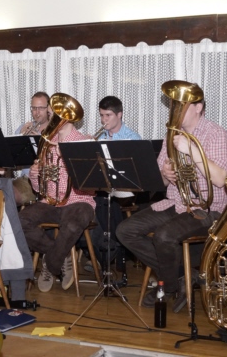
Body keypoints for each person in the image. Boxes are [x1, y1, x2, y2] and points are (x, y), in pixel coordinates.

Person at [116, 90, 227, 314]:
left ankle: (168, 285)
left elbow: (220, 179)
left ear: (198, 107)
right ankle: (180, 277)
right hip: (176, 203)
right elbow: (159, 181)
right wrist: (165, 174)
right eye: (173, 106)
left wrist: (192, 150)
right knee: (125, 230)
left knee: (164, 236)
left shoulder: (216, 133)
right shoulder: (172, 134)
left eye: (182, 105)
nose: (174, 111)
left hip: (207, 208)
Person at [19, 95, 96, 292]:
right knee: (20, 221)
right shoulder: (47, 143)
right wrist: (35, 174)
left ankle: (50, 263)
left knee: (73, 223)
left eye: (54, 112)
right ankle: (61, 254)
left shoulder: (84, 142)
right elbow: (39, 189)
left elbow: (91, 186)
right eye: (52, 111)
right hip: (50, 202)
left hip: (78, 200)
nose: (51, 114)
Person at [87, 96, 142, 275]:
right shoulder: (100, 137)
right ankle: (107, 251)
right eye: (101, 115)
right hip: (104, 189)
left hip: (126, 190)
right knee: (91, 201)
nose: (104, 120)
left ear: (119, 115)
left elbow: (137, 174)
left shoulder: (132, 138)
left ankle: (106, 254)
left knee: (103, 201)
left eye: (108, 115)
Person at [12, 92, 50, 207]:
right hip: (26, 179)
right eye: (34, 108)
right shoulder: (24, 128)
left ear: (48, 109)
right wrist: (20, 136)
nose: (37, 112)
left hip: (46, 182)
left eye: (41, 108)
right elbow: (11, 155)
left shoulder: (55, 130)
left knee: (10, 194)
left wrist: (39, 140)